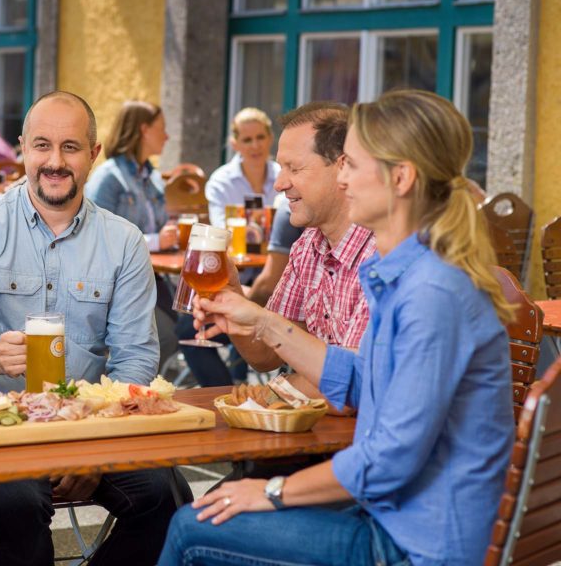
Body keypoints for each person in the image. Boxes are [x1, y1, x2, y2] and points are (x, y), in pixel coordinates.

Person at [160, 89, 515, 566]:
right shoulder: (413, 273)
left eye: (350, 163)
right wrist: (261, 319)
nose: (342, 178)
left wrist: (273, 491)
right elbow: (359, 380)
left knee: (190, 526)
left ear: (401, 178)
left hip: (414, 544)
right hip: (398, 519)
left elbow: (387, 461)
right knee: (211, 507)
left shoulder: (431, 293)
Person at [0, 91, 192, 566]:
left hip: (88, 424)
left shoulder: (123, 242)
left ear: (94, 154)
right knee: (19, 505)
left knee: (169, 499)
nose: (55, 161)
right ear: (22, 148)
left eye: (70, 147)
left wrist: (93, 446)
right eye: (42, 145)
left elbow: (136, 358)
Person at [215, 102, 375, 402]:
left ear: (342, 167)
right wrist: (232, 298)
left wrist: (278, 389)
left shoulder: (382, 250)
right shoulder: (307, 246)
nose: (279, 184)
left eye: (294, 168)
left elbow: (358, 384)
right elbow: (266, 355)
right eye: (279, 168)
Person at [86, 100, 179, 368]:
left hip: (152, 275)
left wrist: (167, 233)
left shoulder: (151, 177)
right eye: (162, 128)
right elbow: (97, 234)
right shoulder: (109, 177)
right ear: (144, 130)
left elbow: (158, 226)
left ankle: (141, 387)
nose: (167, 135)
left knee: (182, 327)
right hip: (114, 281)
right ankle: (121, 386)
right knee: (163, 334)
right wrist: (156, 240)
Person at [205, 107, 280, 227]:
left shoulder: (284, 176)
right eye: (247, 140)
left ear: (270, 138)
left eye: (260, 137)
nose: (255, 146)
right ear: (234, 144)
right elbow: (220, 230)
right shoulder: (220, 182)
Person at [244, 194, 305, 307]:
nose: (278, 186)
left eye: (294, 174)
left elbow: (268, 287)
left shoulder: (289, 207)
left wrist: (242, 306)